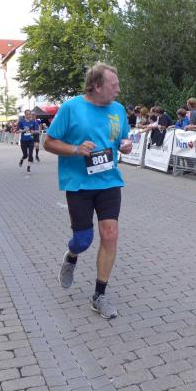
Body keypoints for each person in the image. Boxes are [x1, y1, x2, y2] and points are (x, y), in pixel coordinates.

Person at [44, 63, 132, 319]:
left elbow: (122, 138)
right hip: (79, 184)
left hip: (109, 181)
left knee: (110, 234)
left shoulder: (118, 110)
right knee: (83, 240)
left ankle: (99, 295)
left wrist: (125, 144)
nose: (118, 89)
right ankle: (71, 256)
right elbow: (48, 142)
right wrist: (75, 149)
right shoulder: (71, 108)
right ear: (97, 86)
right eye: (113, 85)